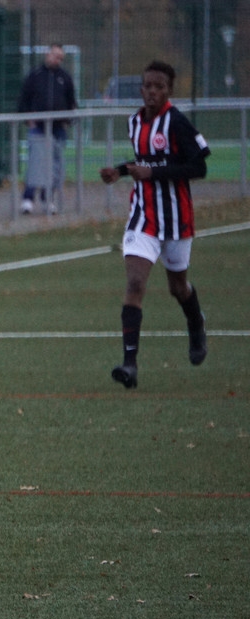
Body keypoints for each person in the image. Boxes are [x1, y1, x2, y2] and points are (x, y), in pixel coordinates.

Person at [99, 60, 210, 389]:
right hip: (143, 215)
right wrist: (119, 172)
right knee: (135, 284)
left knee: (178, 288)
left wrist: (154, 173)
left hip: (177, 220)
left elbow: (198, 168)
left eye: (159, 86)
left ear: (169, 90)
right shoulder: (134, 121)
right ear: (141, 89)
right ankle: (129, 365)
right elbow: (143, 161)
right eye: (148, 85)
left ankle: (195, 324)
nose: (152, 91)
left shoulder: (176, 123)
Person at [18, 44, 77, 215]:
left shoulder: (65, 78)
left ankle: (48, 199)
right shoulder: (35, 76)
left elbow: (71, 101)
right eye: (54, 55)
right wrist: (28, 119)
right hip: (38, 128)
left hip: (58, 129)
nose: (56, 60)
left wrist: (68, 120)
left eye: (60, 57)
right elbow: (23, 100)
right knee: (35, 163)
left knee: (55, 166)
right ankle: (28, 198)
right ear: (47, 54)